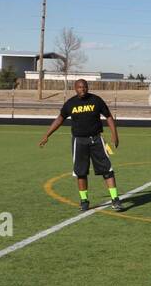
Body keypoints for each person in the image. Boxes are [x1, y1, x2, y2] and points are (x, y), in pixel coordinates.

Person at [39, 78, 126, 213]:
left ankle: (115, 199)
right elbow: (60, 119)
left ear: (87, 87)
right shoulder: (70, 104)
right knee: (81, 172)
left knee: (107, 170)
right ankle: (84, 201)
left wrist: (115, 134)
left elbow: (108, 116)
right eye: (79, 87)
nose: (82, 89)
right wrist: (47, 135)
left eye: (84, 87)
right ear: (75, 88)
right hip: (79, 141)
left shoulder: (96, 100)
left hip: (96, 140)